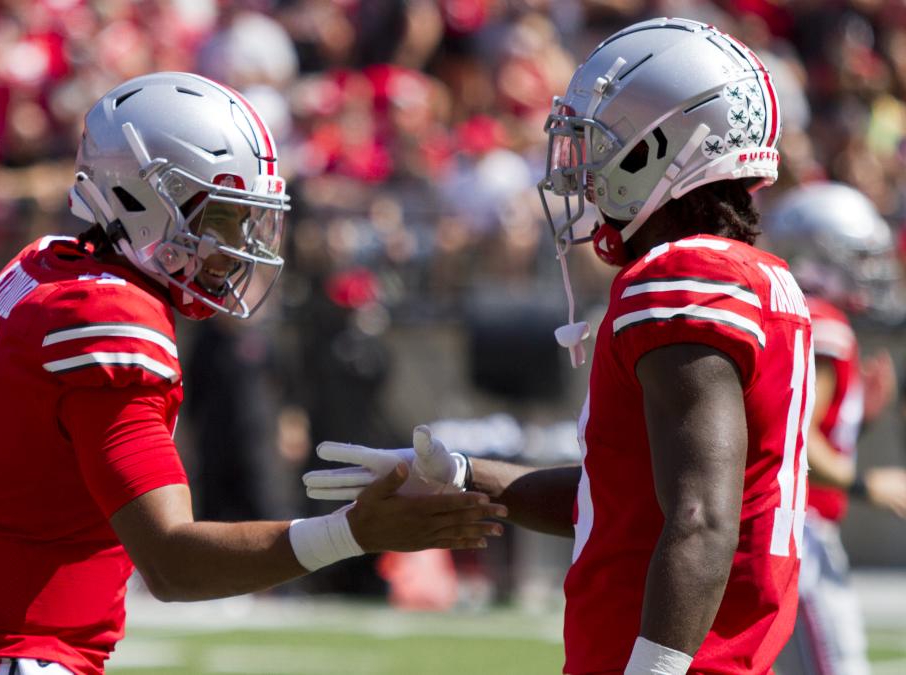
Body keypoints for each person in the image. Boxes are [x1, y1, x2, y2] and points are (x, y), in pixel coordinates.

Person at [0, 71, 505, 675]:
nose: (237, 246)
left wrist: (17, 548)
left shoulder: (41, 270)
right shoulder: (109, 319)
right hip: (14, 657)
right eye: (222, 219)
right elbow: (172, 563)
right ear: (141, 198)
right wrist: (354, 532)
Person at [306, 18, 812, 675]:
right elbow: (620, 499)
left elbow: (701, 518)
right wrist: (460, 474)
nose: (581, 168)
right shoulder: (757, 278)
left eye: (600, 142)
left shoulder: (682, 277)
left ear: (659, 147)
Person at [763, 182, 906, 675]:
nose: (873, 271)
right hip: (800, 532)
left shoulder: (801, 318)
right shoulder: (824, 323)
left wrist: (859, 420)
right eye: (858, 257)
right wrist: (866, 484)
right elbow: (794, 441)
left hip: (786, 528)